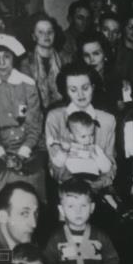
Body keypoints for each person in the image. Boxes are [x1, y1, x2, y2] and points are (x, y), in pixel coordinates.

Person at [0, 34, 44, 204]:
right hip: (0, 151)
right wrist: (3, 155)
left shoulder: (28, 84)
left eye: (6, 57)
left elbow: (34, 125)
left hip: (30, 148)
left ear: (13, 59)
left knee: (34, 181)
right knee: (6, 181)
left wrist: (22, 154)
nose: (1, 62)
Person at [45, 63, 118, 195]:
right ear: (66, 91)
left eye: (85, 88)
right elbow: (55, 166)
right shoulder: (55, 117)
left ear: (93, 87)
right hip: (66, 190)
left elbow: (110, 165)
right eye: (73, 89)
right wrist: (78, 187)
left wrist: (96, 185)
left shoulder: (108, 120)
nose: (80, 94)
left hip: (98, 189)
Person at [18, 13, 65, 111]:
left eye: (50, 32)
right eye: (41, 32)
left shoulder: (64, 58)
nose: (46, 35)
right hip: (36, 111)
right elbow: (23, 96)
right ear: (33, 36)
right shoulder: (26, 63)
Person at [58, 0, 92, 64]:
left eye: (88, 18)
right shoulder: (61, 40)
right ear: (70, 19)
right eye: (80, 18)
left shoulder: (91, 38)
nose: (85, 22)